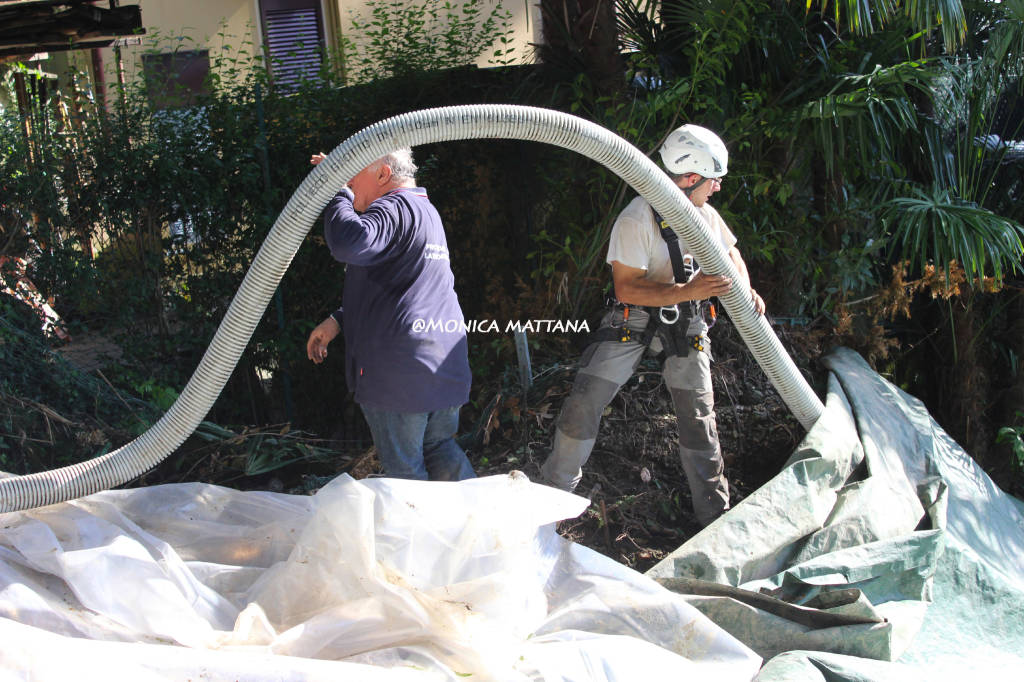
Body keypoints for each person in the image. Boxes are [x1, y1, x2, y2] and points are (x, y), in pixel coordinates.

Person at [539, 124, 765, 526]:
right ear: (691, 177)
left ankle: (714, 520)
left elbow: (733, 255)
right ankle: (549, 506)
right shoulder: (637, 218)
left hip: (687, 323)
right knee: (584, 404)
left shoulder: (705, 217)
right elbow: (627, 289)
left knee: (699, 419)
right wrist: (687, 289)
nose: (717, 189)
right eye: (713, 181)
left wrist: (746, 292)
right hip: (634, 317)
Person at [306, 148, 475, 481]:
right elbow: (408, 287)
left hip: (401, 372)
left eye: (356, 177)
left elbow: (350, 242)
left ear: (383, 175)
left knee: (406, 472)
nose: (352, 187)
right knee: (438, 448)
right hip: (443, 365)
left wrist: (337, 188)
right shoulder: (424, 211)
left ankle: (424, 534)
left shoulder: (393, 207)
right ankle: (478, 530)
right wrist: (339, 319)